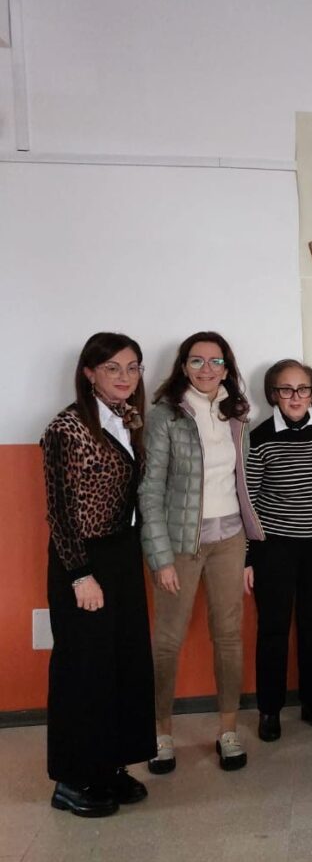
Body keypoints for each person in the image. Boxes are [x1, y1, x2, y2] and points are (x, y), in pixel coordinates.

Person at [41, 333, 155, 817]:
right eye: (113, 368)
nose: (125, 377)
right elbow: (61, 513)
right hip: (83, 560)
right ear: (89, 372)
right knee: (83, 670)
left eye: (133, 367)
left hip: (123, 553)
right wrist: (80, 576)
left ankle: (108, 765)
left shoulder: (127, 419)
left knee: (123, 663)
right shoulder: (66, 428)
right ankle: (72, 779)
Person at [139, 331, 264, 773]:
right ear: (183, 366)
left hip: (229, 539)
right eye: (197, 361)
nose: (207, 370)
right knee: (167, 640)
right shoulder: (165, 416)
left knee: (228, 635)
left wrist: (248, 548)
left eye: (216, 362)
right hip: (180, 543)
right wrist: (160, 557)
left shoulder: (237, 414)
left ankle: (227, 731)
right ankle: (160, 734)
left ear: (227, 369)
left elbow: (241, 483)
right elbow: (150, 490)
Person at [245, 359, 312, 742]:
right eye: (286, 389)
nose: (295, 396)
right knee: (272, 629)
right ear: (273, 393)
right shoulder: (259, 438)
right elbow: (249, 502)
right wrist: (248, 558)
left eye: (302, 388)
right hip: (274, 549)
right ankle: (269, 710)